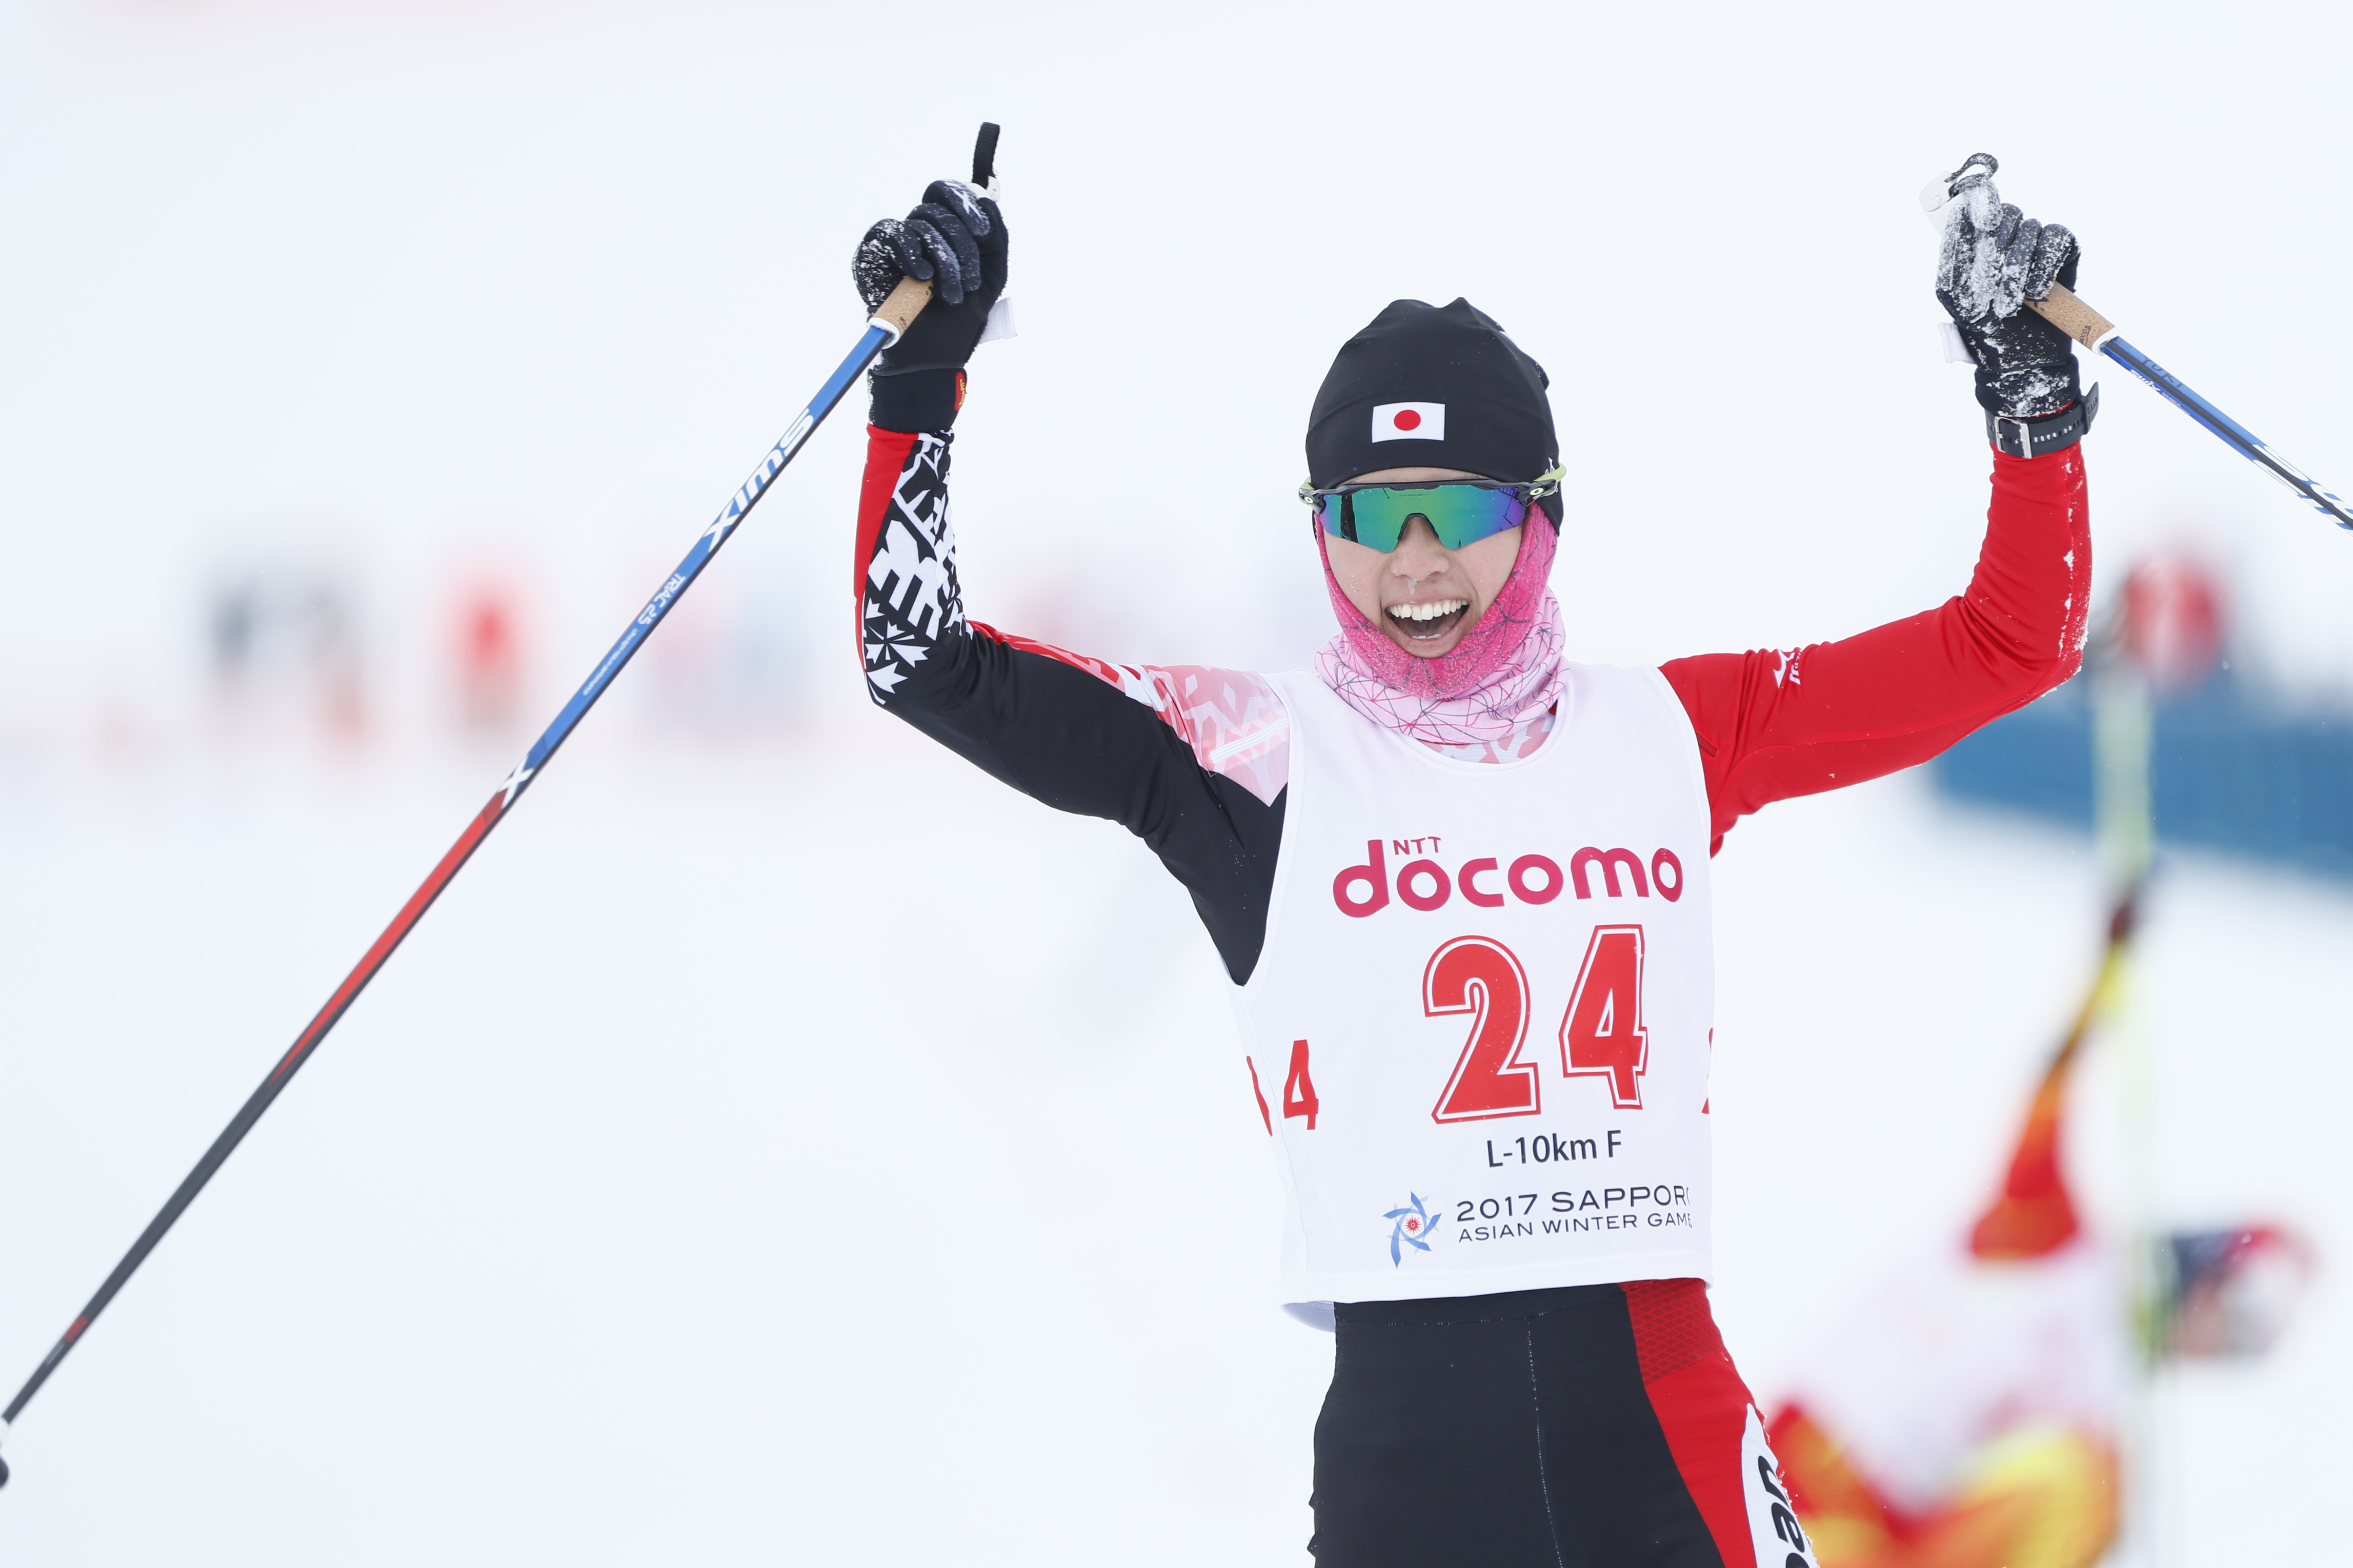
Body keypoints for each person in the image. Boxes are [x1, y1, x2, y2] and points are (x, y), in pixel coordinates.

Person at [846, 168, 2093, 1567]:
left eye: (1461, 511)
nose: (1419, 563)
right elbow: (922, 661)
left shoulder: (1680, 731)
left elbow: (2012, 642)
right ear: (1324, 528)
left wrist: (2030, 402)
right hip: (1414, 1465)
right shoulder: (1248, 758)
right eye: (1375, 517)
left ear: (1542, 514)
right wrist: (924, 375)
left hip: (1668, 1432)